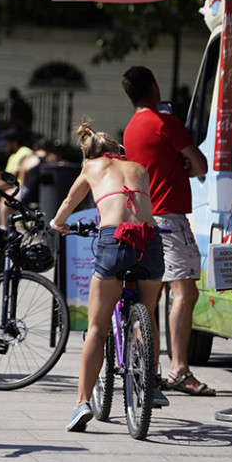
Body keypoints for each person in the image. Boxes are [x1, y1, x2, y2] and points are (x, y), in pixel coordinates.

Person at [50, 118, 166, 432]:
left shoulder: (90, 168)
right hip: (150, 240)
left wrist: (57, 224)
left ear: (91, 154)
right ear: (117, 151)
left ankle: (81, 403)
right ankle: (151, 383)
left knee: (97, 329)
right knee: (149, 312)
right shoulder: (138, 167)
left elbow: (68, 203)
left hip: (114, 240)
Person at [121, 65, 215, 397]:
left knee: (152, 297)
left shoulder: (131, 129)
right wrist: (184, 164)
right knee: (186, 293)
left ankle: (151, 369)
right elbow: (200, 165)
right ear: (155, 87)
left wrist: (177, 165)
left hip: (143, 219)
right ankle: (179, 369)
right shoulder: (165, 122)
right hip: (169, 219)